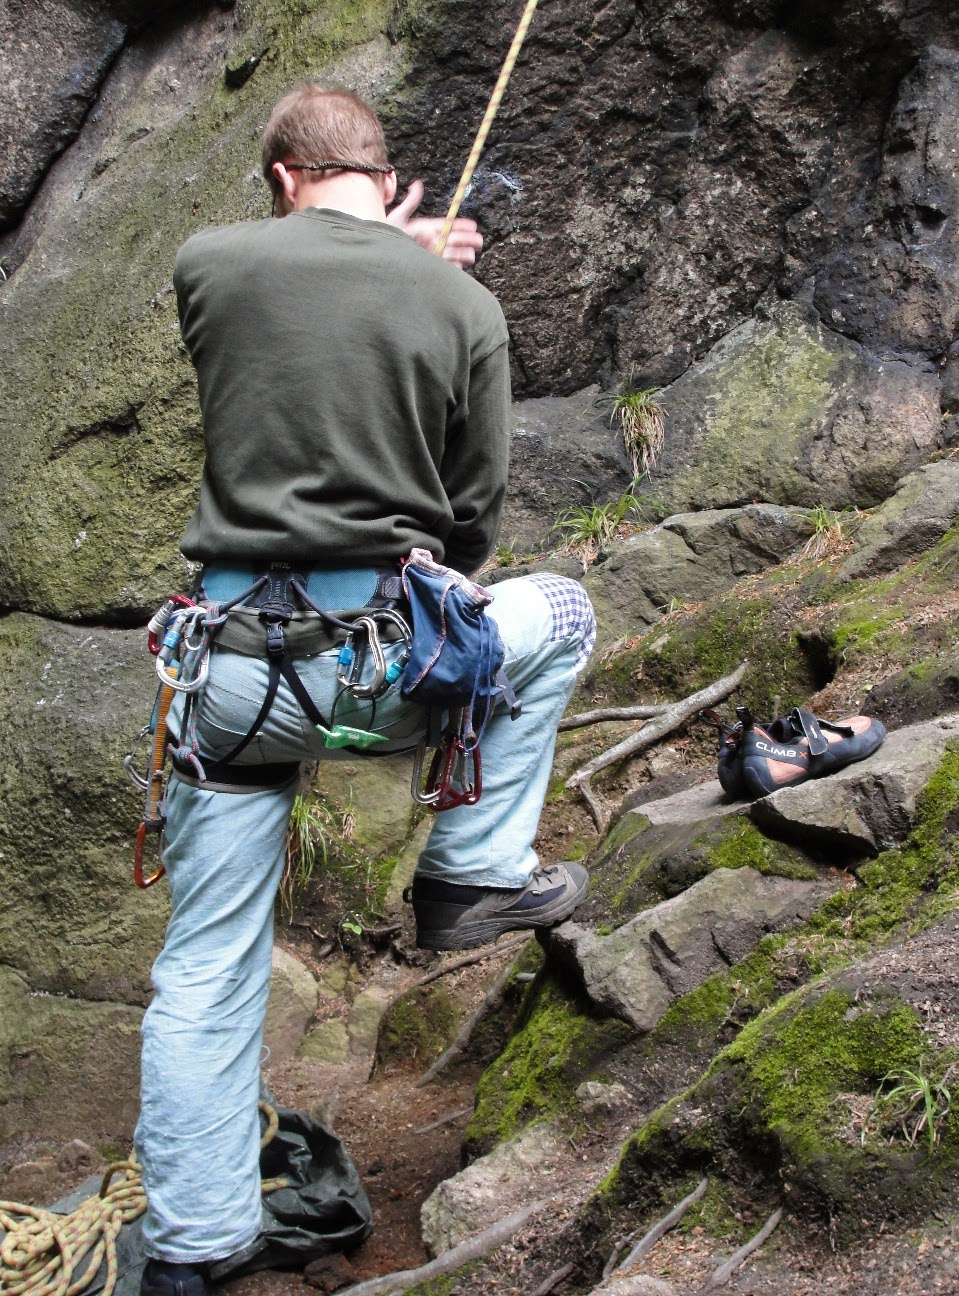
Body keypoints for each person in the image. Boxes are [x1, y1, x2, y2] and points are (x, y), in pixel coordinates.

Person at [136, 83, 595, 1296]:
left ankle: (193, 1249)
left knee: (206, 965)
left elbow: (292, 293)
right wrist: (418, 269)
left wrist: (381, 250)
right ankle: (473, 872)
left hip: (227, 678)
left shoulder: (208, 263)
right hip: (384, 672)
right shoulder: (461, 299)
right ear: (384, 177)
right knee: (565, 610)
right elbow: (473, 520)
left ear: (284, 176)